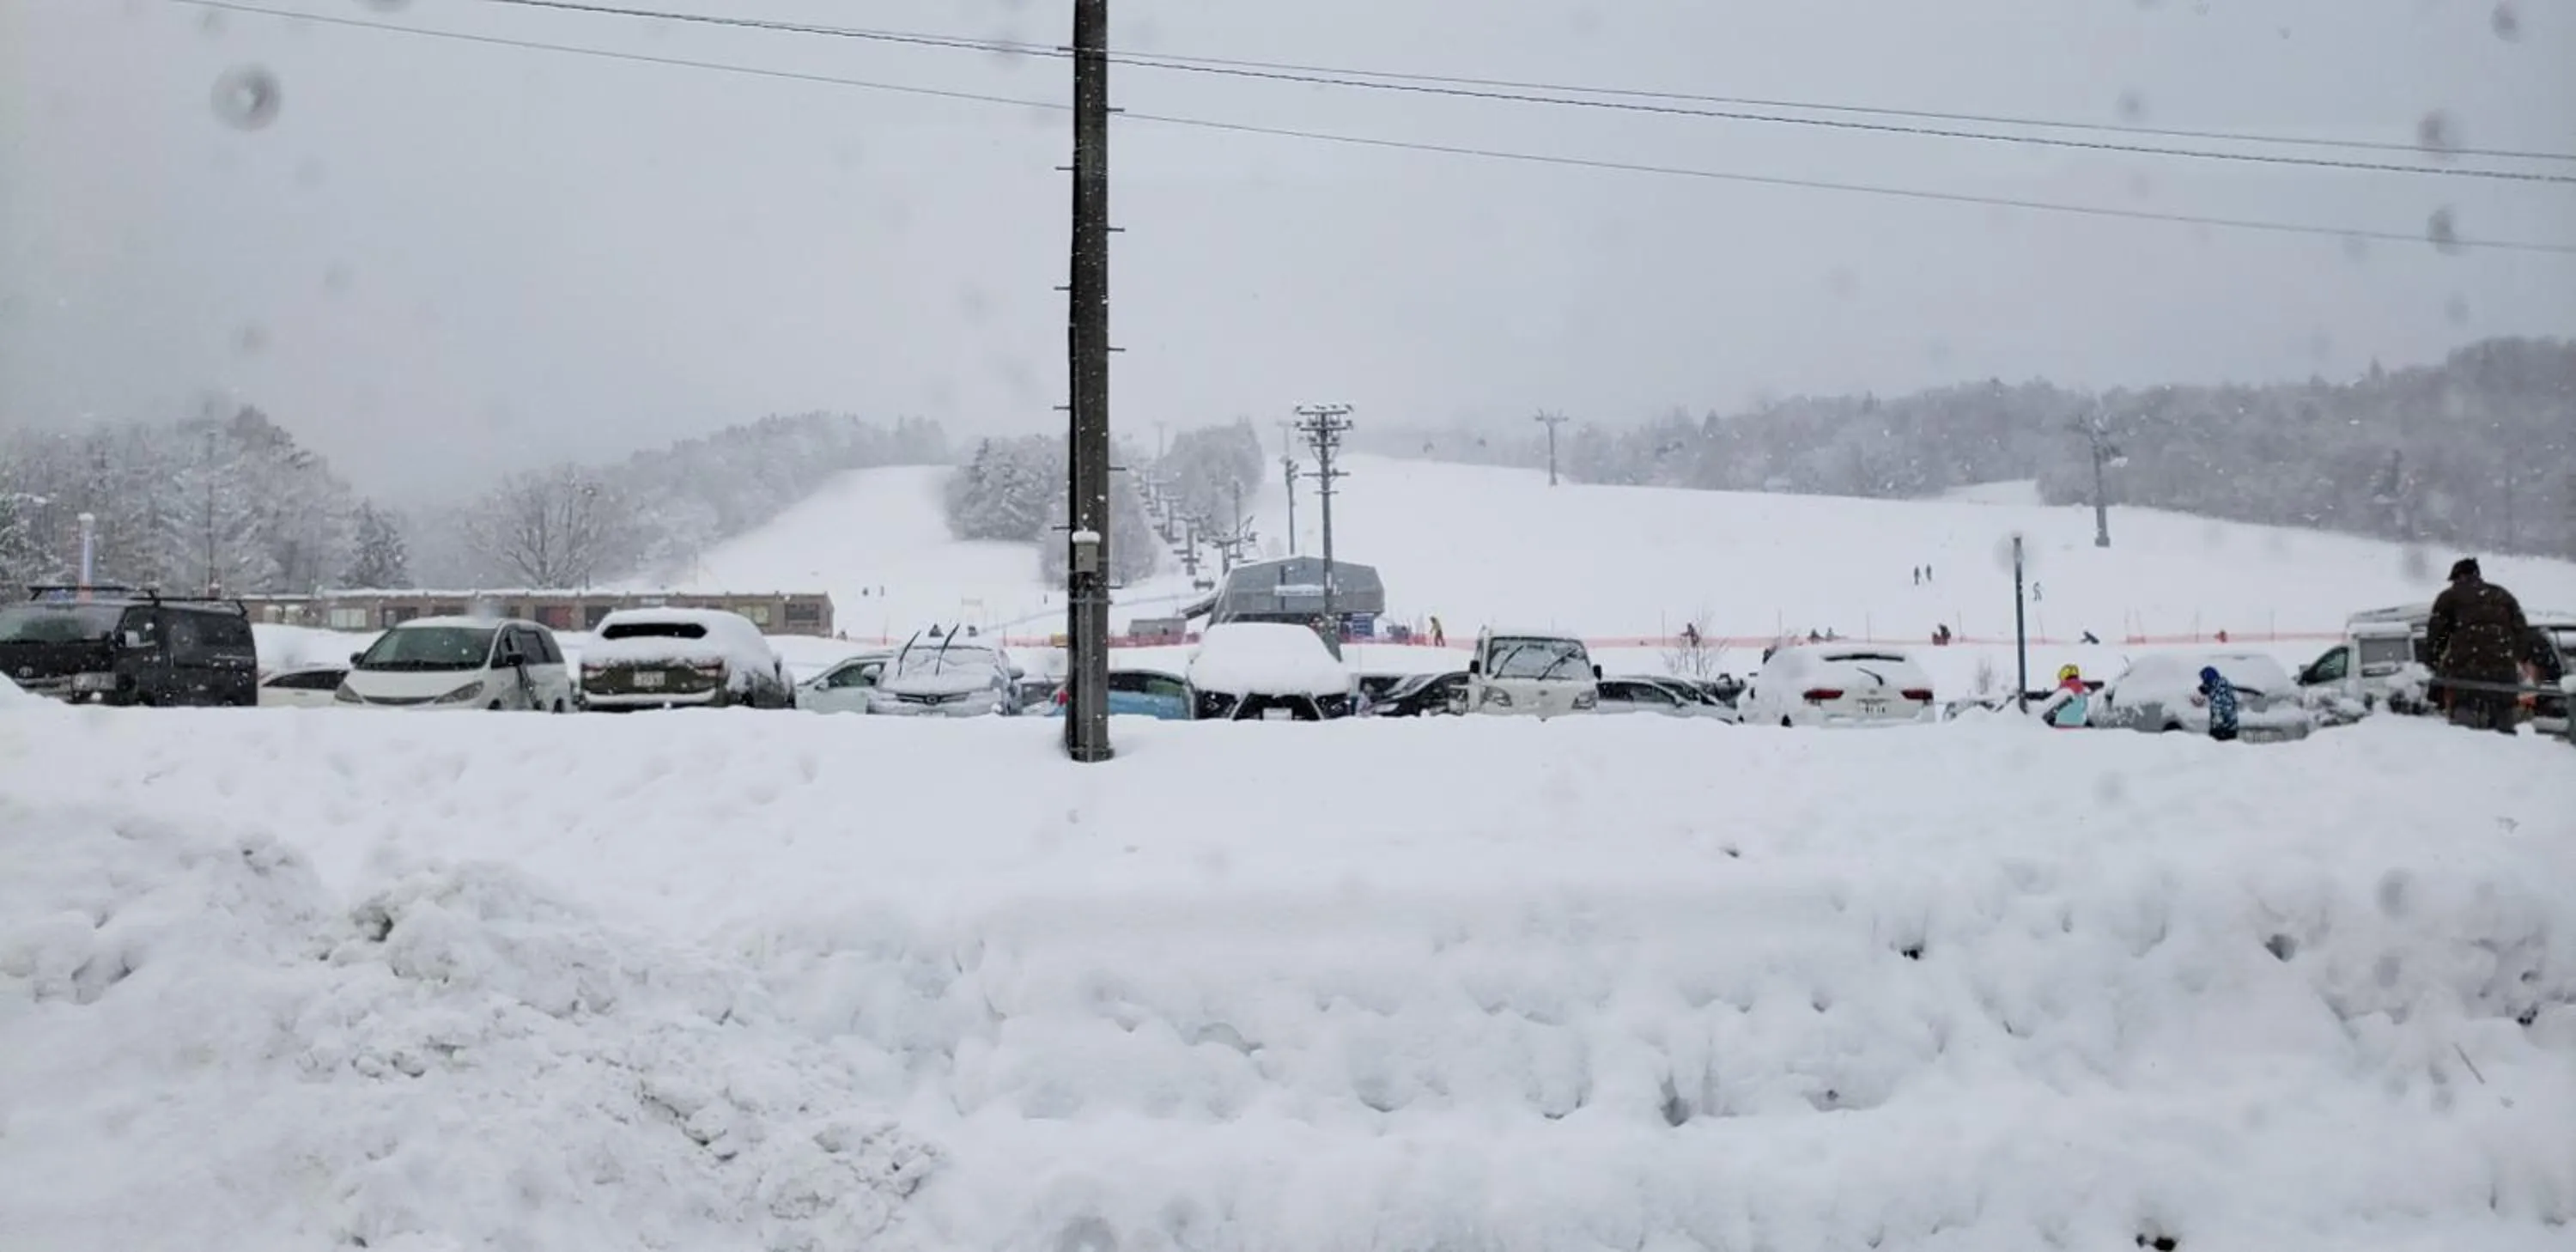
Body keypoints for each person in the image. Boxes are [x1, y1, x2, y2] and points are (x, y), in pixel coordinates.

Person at [2426, 556, 2530, 734]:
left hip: (2466, 675)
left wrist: (2436, 666)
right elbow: (2523, 634)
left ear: (2458, 577)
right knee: (2504, 731)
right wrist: (2512, 658)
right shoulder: (2502, 595)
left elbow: (2436, 639)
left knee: (2467, 736)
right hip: (2503, 676)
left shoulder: (2449, 597)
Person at [2036, 663, 2091, 729]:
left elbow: (2053, 706)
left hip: (2061, 724)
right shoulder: (2082, 691)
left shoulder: (2063, 690)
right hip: (2079, 724)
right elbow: (2085, 707)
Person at [2196, 666, 2240, 742]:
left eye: (2204, 680)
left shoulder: (2219, 693)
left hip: (2224, 732)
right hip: (2230, 729)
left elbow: (2219, 711)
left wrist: (2215, 732)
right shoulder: (2221, 688)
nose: (2203, 683)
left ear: (2208, 679)